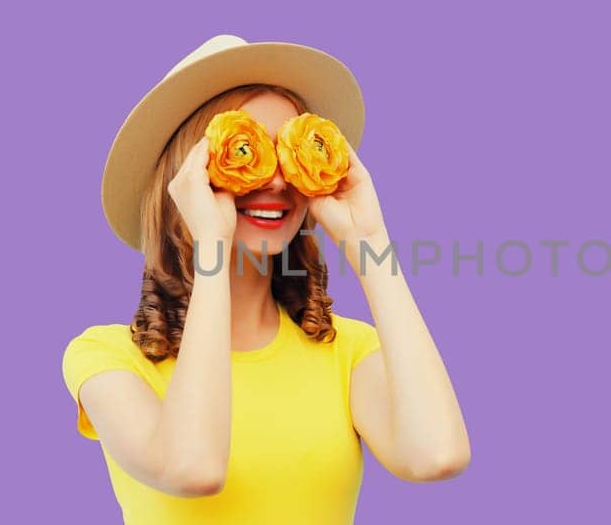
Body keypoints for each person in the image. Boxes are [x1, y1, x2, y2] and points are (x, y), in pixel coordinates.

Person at [61, 34, 470, 524]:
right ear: (185, 176)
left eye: (287, 153)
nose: (275, 179)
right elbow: (192, 468)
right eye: (244, 149)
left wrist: (369, 241)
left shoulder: (346, 352)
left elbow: (436, 456)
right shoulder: (106, 358)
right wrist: (210, 243)